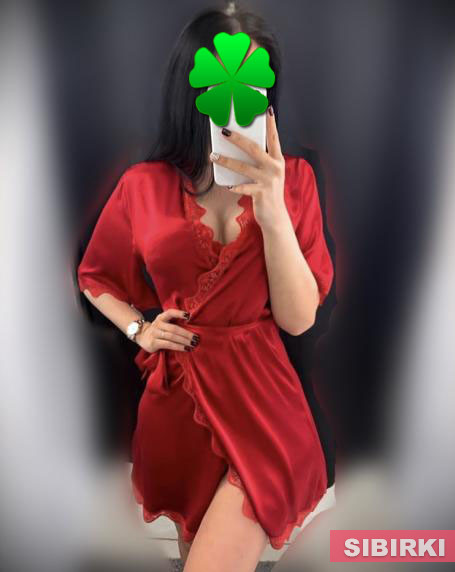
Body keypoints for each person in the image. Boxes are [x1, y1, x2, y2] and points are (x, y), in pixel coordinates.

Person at [77, 3, 334, 571]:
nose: (237, 105)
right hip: (179, 406)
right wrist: (139, 329)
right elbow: (95, 276)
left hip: (263, 405)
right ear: (191, 90)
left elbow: (298, 319)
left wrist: (272, 209)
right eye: (222, 87)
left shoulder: (295, 183)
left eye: (253, 88)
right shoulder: (143, 186)